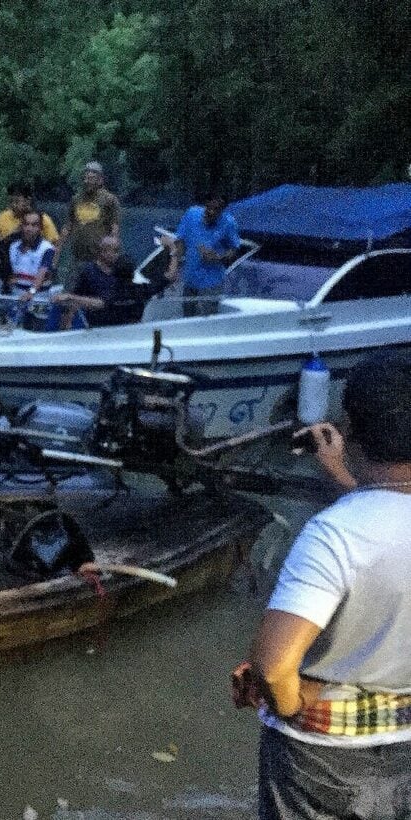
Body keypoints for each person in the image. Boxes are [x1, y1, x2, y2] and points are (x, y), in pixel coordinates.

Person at [234, 350, 411, 819]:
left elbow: (272, 669)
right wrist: (340, 473)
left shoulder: (335, 534)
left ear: (350, 428)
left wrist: (291, 705)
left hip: (323, 756)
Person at [165, 193, 241, 317]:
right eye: (209, 208)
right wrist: (174, 267)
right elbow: (180, 241)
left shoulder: (228, 223)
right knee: (187, 318)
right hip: (190, 278)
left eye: (216, 210)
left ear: (222, 210)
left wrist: (217, 257)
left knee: (206, 320)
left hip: (211, 282)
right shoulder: (192, 214)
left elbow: (234, 249)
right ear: (205, 205)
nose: (211, 212)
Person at [51, 235, 152, 328]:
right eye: (113, 251)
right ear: (102, 251)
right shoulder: (87, 271)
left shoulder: (123, 271)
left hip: (124, 324)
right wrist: (67, 322)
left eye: (118, 251)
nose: (116, 255)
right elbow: (73, 298)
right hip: (98, 325)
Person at [54, 161, 121, 271]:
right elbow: (68, 226)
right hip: (77, 257)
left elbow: (114, 228)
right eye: (86, 178)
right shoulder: (76, 199)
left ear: (100, 180)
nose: (87, 182)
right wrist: (57, 250)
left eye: (92, 179)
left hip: (99, 259)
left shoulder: (109, 200)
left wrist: (113, 254)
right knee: (72, 286)